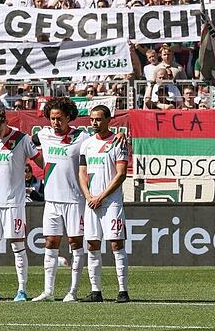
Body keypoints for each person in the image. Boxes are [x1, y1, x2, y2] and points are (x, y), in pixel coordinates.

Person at [0, 107, 42, 302]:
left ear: (6, 122)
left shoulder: (22, 139)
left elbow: (40, 160)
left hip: (14, 202)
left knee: (17, 244)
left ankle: (22, 290)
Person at [31, 97, 91, 302]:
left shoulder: (81, 137)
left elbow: (101, 139)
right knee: (50, 241)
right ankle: (48, 291)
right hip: (52, 200)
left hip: (75, 199)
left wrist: (117, 135)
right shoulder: (43, 134)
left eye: (59, 118)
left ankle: (72, 291)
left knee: (75, 242)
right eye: (52, 118)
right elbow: (20, 140)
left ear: (68, 117)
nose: (55, 122)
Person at [78, 106, 130, 303]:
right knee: (92, 244)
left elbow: (121, 174)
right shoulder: (87, 144)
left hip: (111, 203)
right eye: (92, 119)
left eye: (98, 119)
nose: (94, 123)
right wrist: (89, 196)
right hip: (91, 202)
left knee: (116, 244)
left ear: (108, 120)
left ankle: (123, 291)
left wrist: (101, 196)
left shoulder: (118, 143)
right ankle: (95, 291)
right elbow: (82, 173)